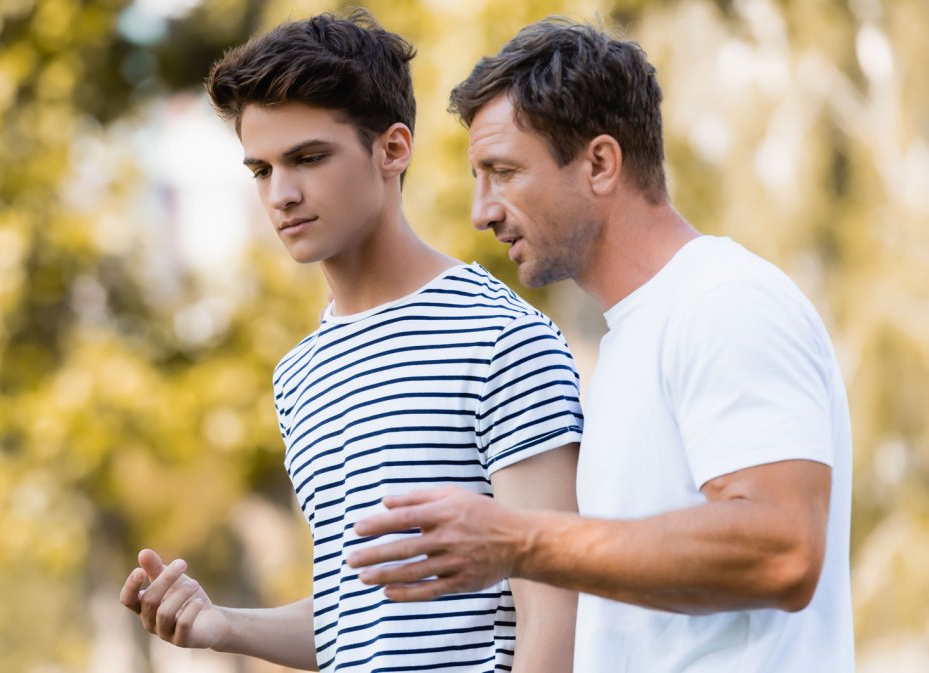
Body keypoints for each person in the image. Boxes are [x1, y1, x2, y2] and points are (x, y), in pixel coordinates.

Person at [348, 18, 855, 672]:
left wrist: (519, 538)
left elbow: (782, 547)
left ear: (599, 163)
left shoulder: (724, 302)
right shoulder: (627, 344)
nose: (482, 211)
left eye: (503, 172)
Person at [118, 10, 583, 673]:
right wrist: (224, 626)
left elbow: (556, 606)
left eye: (308, 158)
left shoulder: (499, 338)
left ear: (393, 149)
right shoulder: (300, 372)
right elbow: (354, 619)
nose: (282, 194)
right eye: (261, 169)